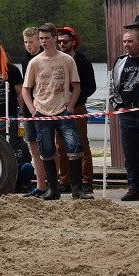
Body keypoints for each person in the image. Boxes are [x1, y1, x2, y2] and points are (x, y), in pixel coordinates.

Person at [21, 22, 92, 200]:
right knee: (46, 150)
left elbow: (76, 86)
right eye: (41, 39)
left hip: (63, 111)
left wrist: (69, 108)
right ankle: (53, 189)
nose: (43, 42)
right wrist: (32, 110)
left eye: (47, 38)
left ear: (54, 39)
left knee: (75, 147)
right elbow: (25, 88)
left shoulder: (67, 60)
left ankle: (78, 189)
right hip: (42, 112)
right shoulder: (34, 62)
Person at [110, 29, 139, 200]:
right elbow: (114, 86)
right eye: (124, 41)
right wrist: (117, 106)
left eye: (130, 41)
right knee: (130, 153)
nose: (126, 45)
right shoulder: (121, 62)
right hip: (127, 112)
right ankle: (134, 187)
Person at [54, 26, 96, 193]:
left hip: (78, 107)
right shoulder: (56, 60)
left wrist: (74, 98)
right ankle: (65, 180)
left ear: (73, 42)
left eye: (65, 41)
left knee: (82, 144)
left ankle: (87, 180)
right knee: (61, 146)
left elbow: (91, 86)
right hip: (58, 108)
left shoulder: (82, 61)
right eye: (60, 42)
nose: (62, 44)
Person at [20, 26, 48, 197]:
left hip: (44, 106)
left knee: (48, 146)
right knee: (33, 145)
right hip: (29, 107)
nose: (28, 45)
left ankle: (53, 183)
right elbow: (25, 86)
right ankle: (40, 185)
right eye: (25, 42)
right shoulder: (26, 60)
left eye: (31, 42)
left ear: (39, 41)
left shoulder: (45, 58)